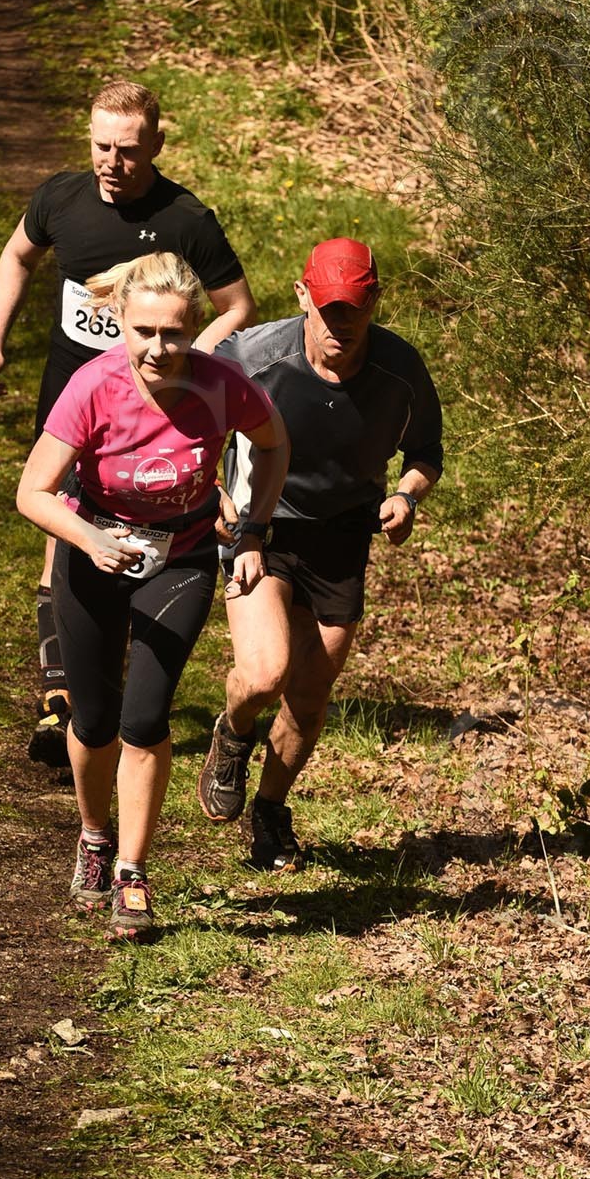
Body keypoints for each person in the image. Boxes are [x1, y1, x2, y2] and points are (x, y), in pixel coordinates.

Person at [0, 81, 256, 768]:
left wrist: (187, 362)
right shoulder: (61, 198)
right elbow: (17, 255)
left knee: (142, 519)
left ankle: (122, 672)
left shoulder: (185, 218)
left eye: (127, 150)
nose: (111, 162)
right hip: (74, 394)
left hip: (156, 409)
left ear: (156, 145)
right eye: (101, 145)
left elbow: (237, 304)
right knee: (64, 526)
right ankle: (61, 697)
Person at [16, 252, 287, 938]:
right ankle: (94, 835)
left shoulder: (221, 386)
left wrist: (253, 531)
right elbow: (32, 492)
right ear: (120, 323)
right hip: (93, 556)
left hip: (181, 560)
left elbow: (273, 444)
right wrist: (88, 538)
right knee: (94, 720)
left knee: (144, 720)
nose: (159, 348)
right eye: (144, 332)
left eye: (174, 333)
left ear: (195, 327)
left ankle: (132, 873)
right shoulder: (92, 386)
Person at [197, 237, 443, 871]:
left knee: (309, 696)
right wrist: (214, 492)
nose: (340, 324)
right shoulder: (253, 357)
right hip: (261, 527)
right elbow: (189, 426)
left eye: (354, 309)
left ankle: (270, 812)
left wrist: (406, 496)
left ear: (375, 301)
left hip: (342, 537)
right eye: (329, 308)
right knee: (264, 675)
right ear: (303, 296)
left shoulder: (400, 370)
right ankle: (234, 730)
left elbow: (425, 454)